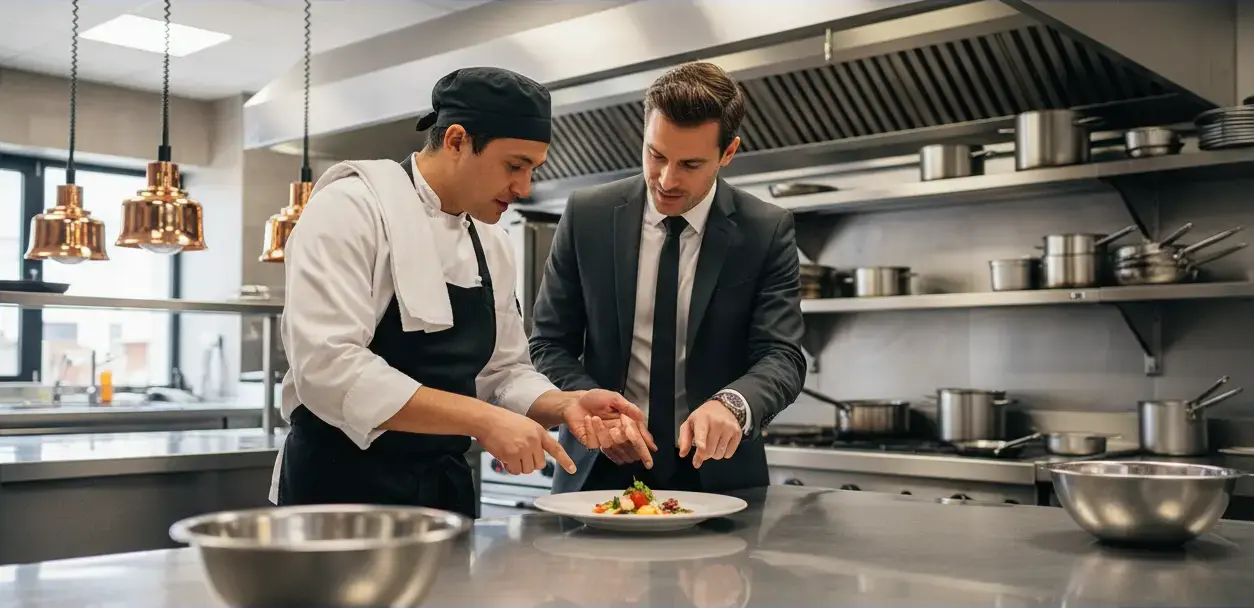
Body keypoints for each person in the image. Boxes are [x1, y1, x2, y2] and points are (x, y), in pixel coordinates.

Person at [268, 67, 648, 518]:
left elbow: (503, 373)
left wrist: (566, 404)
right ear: (455, 140)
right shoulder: (349, 209)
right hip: (337, 494)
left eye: (532, 169)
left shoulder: (491, 243)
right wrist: (483, 420)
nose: (524, 188)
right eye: (514, 165)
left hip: (442, 497)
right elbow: (328, 369)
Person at [529, 62, 806, 495]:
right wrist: (594, 410)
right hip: (597, 470)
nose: (667, 179)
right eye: (655, 154)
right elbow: (548, 343)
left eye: (691, 164)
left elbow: (782, 354)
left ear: (728, 153)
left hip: (719, 474)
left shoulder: (766, 229)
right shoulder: (588, 215)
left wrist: (732, 405)